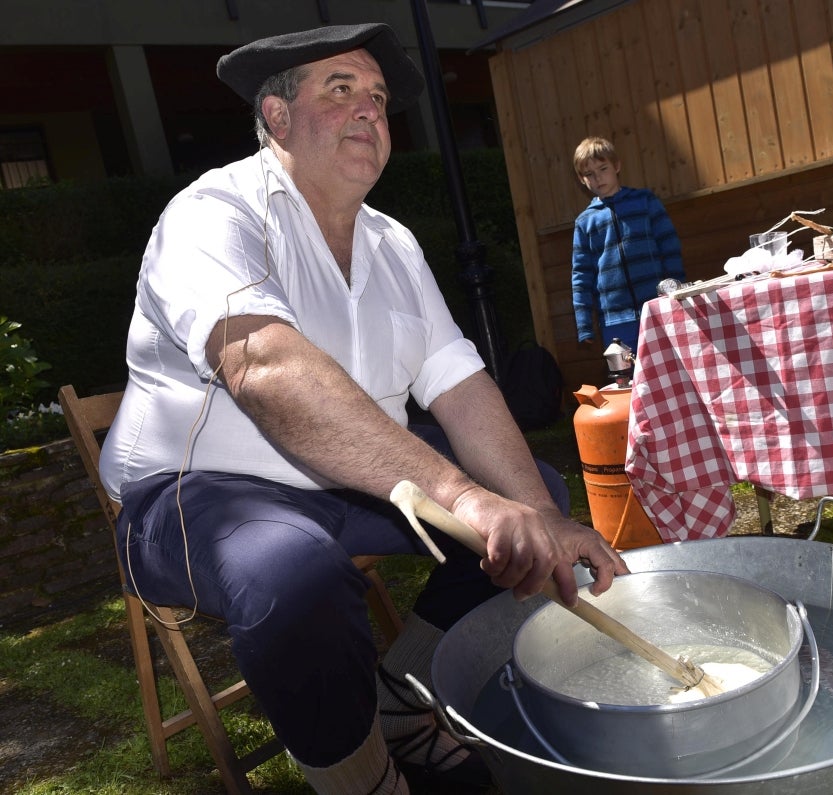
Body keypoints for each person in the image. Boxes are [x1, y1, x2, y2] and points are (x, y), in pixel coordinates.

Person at [98, 23, 627, 795]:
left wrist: (534, 511)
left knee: (533, 495)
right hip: (193, 493)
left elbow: (460, 384)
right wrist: (463, 497)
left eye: (378, 98)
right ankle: (366, 781)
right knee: (294, 573)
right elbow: (264, 367)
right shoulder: (212, 212)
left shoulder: (392, 244)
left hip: (343, 483)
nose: (370, 111)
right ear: (277, 116)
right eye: (340, 90)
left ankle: (403, 696)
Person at [570, 136, 685, 355]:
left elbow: (670, 248)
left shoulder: (645, 201)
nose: (598, 178)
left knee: (670, 366)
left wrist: (678, 294)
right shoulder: (584, 222)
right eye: (589, 174)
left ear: (616, 166)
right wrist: (584, 325)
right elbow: (581, 277)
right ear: (581, 179)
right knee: (627, 374)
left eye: (603, 169)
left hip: (657, 308)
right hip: (615, 321)